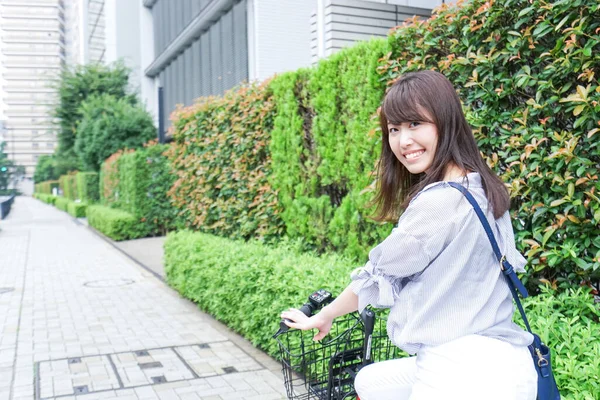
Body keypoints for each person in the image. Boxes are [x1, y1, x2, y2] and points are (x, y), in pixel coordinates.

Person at [280, 70, 538, 400]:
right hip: (509, 364)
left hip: (458, 371)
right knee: (369, 382)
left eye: (415, 124)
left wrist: (325, 314)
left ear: (446, 122)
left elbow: (379, 276)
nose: (403, 141)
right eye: (394, 129)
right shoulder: (483, 186)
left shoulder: (440, 201)